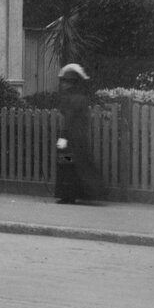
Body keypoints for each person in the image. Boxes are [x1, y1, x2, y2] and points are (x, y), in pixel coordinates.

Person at [54, 63, 108, 205]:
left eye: (66, 81)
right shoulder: (80, 97)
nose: (63, 84)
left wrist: (64, 137)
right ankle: (90, 192)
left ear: (71, 83)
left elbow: (69, 118)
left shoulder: (71, 98)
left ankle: (68, 195)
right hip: (79, 139)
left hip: (71, 139)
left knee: (67, 165)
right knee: (79, 165)